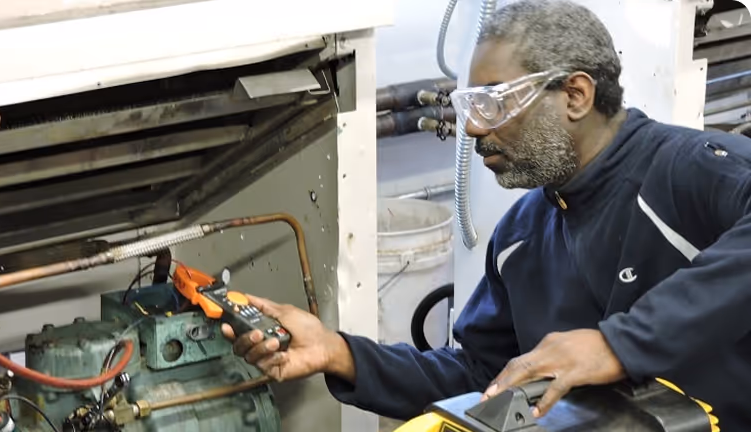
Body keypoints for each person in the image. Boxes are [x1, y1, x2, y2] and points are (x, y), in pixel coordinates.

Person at [222, 1, 751, 430]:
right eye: (467, 106)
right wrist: (341, 353)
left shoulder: (685, 170)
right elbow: (483, 378)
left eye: (493, 103)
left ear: (575, 94)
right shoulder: (522, 235)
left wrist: (618, 345)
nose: (473, 128)